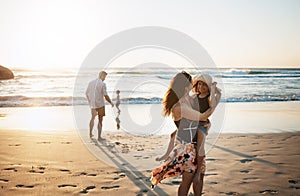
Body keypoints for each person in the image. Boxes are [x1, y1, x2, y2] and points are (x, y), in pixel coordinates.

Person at [154, 73, 221, 195]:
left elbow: (185, 126)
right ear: (185, 86)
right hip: (188, 150)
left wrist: (208, 124)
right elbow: (204, 116)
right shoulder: (181, 106)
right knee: (188, 181)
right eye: (191, 81)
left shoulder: (188, 100)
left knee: (197, 178)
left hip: (193, 146)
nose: (193, 84)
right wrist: (218, 99)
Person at [86, 71, 114, 141]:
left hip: (93, 104)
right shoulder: (102, 84)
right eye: (104, 77)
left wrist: (90, 102)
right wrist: (111, 103)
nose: (105, 79)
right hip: (100, 104)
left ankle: (90, 133)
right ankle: (99, 137)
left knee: (92, 118)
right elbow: (105, 95)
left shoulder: (91, 82)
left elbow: (86, 93)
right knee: (100, 120)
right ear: (102, 76)